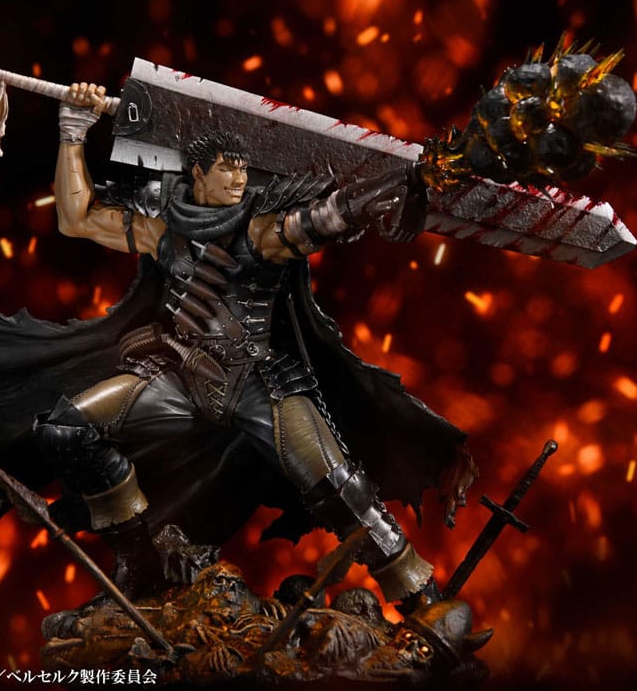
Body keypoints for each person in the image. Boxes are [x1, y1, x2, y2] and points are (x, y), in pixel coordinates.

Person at [35, 82, 477, 614]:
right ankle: (139, 558)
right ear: (197, 173)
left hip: (258, 383)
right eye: (227, 168)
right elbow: (76, 218)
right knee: (67, 429)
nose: (240, 178)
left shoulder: (260, 230)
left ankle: (422, 599)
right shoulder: (165, 232)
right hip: (181, 375)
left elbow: (321, 221)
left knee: (342, 487)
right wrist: (73, 131)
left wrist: (393, 186)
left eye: (244, 169)